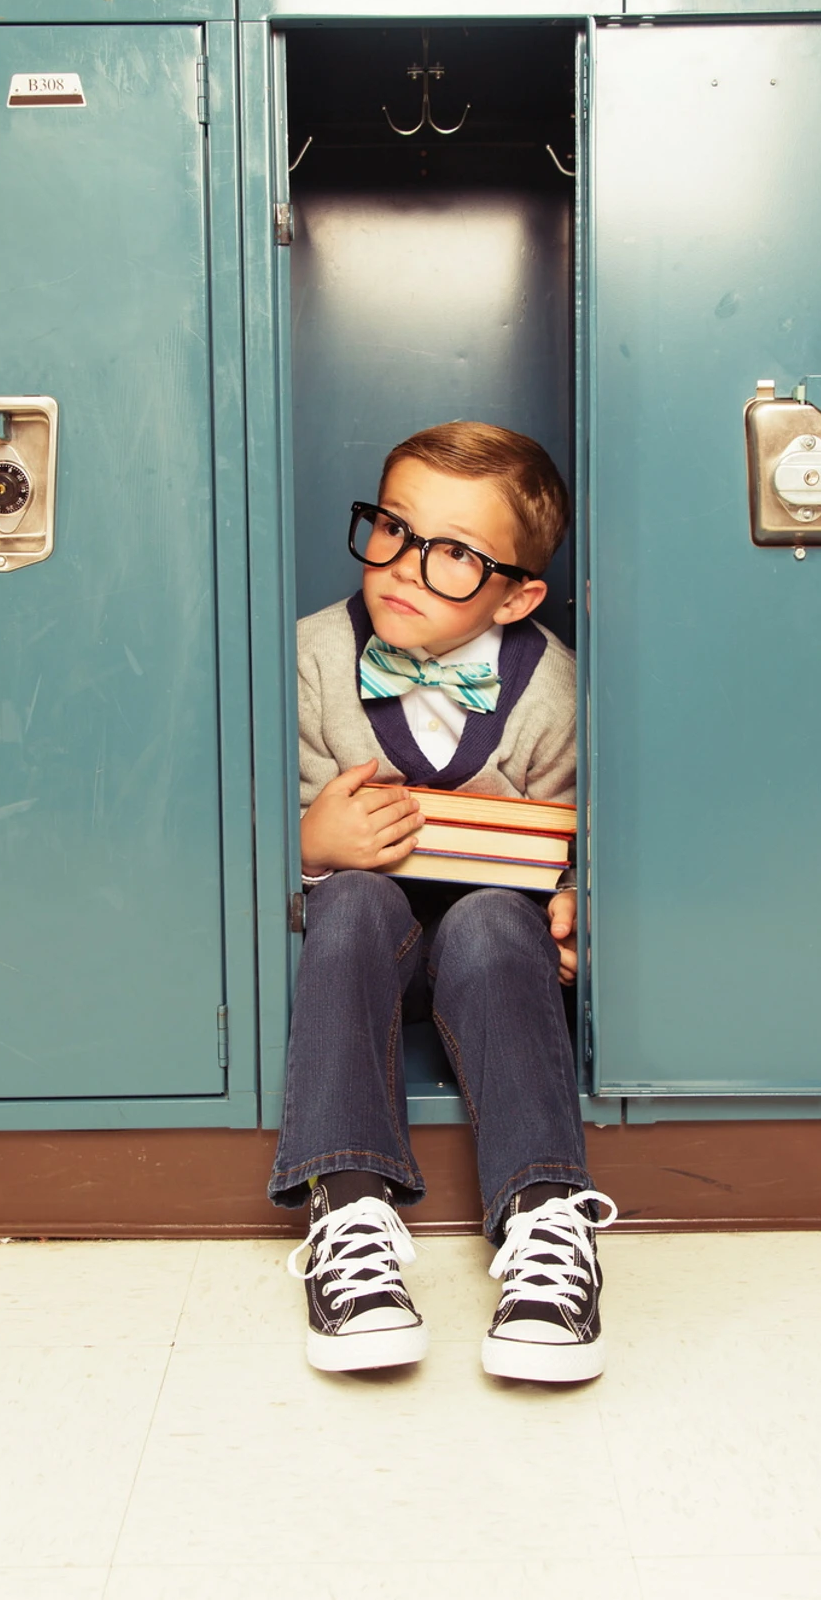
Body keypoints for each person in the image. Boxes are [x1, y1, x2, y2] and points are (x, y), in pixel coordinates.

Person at [272, 420, 616, 1383]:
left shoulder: (554, 689)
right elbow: (233, 835)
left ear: (520, 593)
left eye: (456, 555)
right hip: (360, 951)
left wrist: (574, 899)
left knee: (497, 918)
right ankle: (347, 1212)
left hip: (492, 964)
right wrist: (309, 846)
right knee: (352, 903)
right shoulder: (309, 659)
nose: (406, 567)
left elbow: (583, 840)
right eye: (393, 528)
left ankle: (548, 1220)